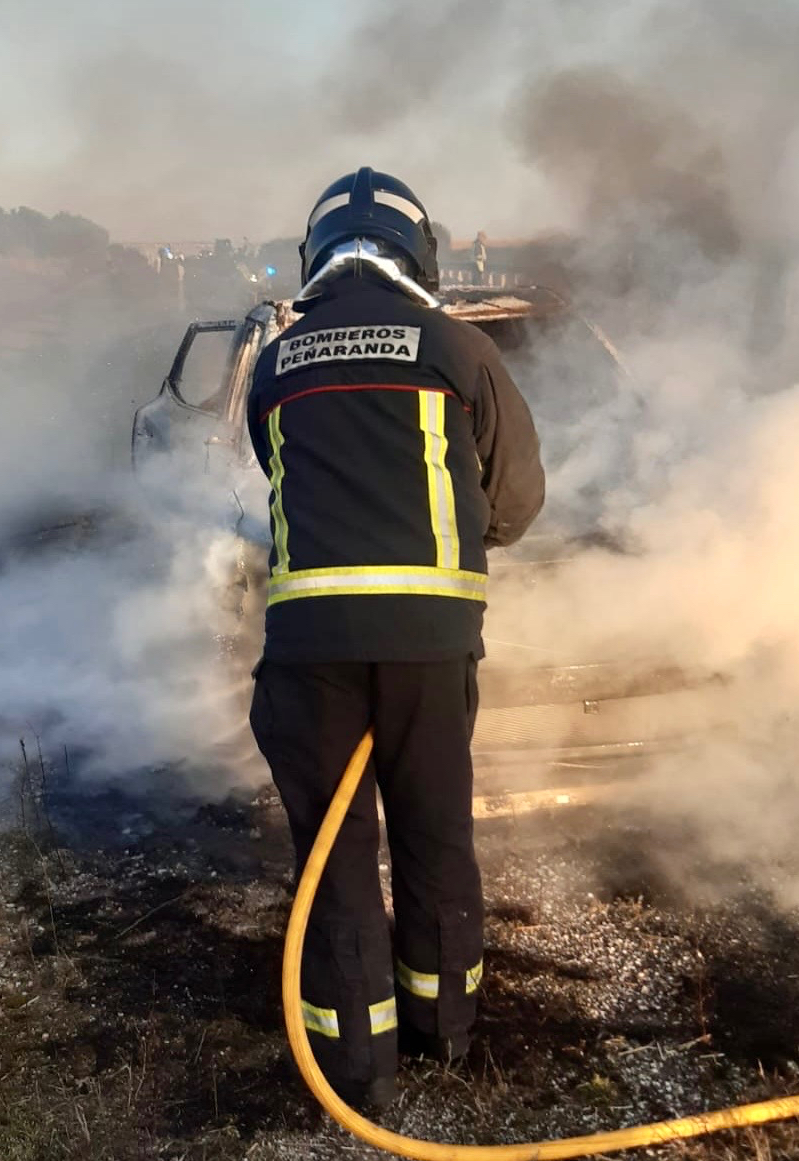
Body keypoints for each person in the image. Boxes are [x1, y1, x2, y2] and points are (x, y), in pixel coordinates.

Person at [246, 168, 545, 1110]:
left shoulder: (277, 362)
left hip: (311, 653)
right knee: (435, 833)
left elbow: (278, 468)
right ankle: (446, 1034)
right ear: (422, 252)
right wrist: (465, 536)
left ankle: (355, 1069)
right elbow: (518, 499)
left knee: (333, 852)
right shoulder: (459, 349)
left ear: (319, 254)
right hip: (429, 646)